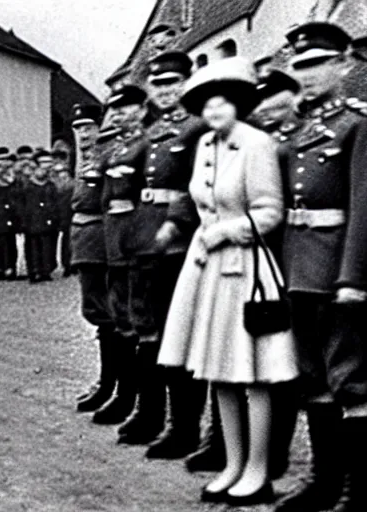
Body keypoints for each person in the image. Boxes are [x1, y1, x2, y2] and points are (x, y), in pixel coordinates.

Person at [158, 56, 298, 505]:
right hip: (210, 269)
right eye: (206, 103)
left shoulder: (257, 144)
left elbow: (270, 212)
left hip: (247, 268)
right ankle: (232, 464)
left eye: (223, 101)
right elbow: (201, 202)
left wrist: (221, 232)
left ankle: (258, 469)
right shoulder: (204, 147)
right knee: (218, 372)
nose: (214, 110)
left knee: (252, 374)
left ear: (239, 104)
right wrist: (203, 237)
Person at [274, 22, 367, 512]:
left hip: (336, 273)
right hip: (298, 270)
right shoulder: (299, 132)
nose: (307, 75)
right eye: (301, 66)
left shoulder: (357, 125)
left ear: (344, 65)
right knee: (312, 378)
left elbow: (363, 205)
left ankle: (358, 488)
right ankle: (325, 481)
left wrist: (353, 277)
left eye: (317, 64)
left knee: (350, 379)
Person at [119, 51, 208, 455]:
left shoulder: (198, 128)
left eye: (173, 83)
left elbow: (198, 186)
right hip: (147, 238)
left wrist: (176, 223)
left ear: (187, 84)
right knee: (149, 328)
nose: (166, 91)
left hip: (180, 240)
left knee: (181, 334)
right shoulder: (151, 133)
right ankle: (151, 413)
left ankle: (184, 426)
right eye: (159, 85)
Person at [91, 85, 148, 426]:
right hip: (115, 241)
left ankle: (137, 401)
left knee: (138, 321)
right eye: (116, 110)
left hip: (134, 241)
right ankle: (124, 395)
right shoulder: (116, 149)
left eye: (128, 109)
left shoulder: (146, 146)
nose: (120, 115)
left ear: (142, 109)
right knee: (120, 318)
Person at [70, 103, 118, 412]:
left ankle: (110, 384)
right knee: (97, 311)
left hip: (101, 241)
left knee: (107, 313)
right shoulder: (82, 158)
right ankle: (107, 382)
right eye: (78, 128)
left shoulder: (106, 155)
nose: (83, 134)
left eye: (89, 126)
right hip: (85, 242)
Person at [0, 147, 23, 281]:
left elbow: (19, 196)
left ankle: (10, 267)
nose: (3, 165)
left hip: (11, 215)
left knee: (10, 242)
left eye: (5, 161)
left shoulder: (14, 179)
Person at [23, 149, 60, 282]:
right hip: (32, 222)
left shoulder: (51, 186)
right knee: (33, 247)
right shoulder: (27, 186)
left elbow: (56, 203)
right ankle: (34, 271)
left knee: (48, 246)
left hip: (48, 222)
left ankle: (46, 270)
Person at [56, 166, 75, 277]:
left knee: (69, 241)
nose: (61, 175)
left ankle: (69, 264)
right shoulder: (59, 186)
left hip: (69, 215)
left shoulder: (71, 186)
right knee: (66, 241)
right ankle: (67, 264)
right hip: (64, 216)